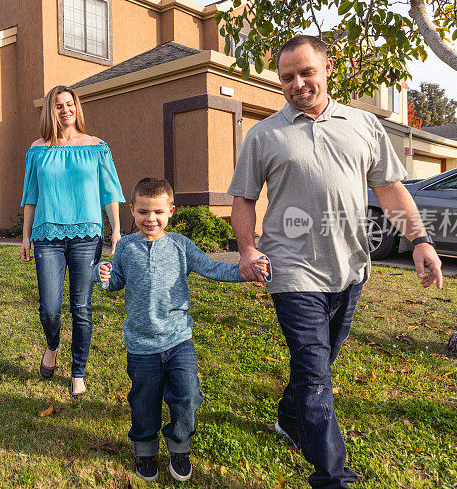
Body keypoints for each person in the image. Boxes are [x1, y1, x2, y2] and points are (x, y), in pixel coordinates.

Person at [228, 35, 443, 488]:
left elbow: (389, 189)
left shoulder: (364, 124)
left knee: (319, 367)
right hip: (291, 271)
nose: (297, 83)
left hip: (350, 269)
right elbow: (243, 199)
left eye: (306, 72)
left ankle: (289, 418)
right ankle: (332, 477)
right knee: (314, 373)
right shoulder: (264, 135)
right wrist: (248, 248)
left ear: (327, 68)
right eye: (287, 77)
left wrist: (419, 240)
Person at [95, 178, 270, 483]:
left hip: (178, 340)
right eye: (144, 212)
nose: (151, 218)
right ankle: (145, 451)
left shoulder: (180, 245)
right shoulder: (124, 246)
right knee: (144, 402)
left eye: (159, 212)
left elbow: (213, 268)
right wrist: (105, 277)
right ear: (132, 211)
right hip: (141, 344)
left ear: (171, 211)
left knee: (187, 395)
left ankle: (179, 446)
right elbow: (116, 283)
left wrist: (245, 272)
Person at [20, 85, 125, 399]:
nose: (65, 110)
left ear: (77, 108)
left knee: (81, 307)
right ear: (50, 111)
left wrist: (116, 230)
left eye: (69, 104)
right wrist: (25, 236)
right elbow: (31, 196)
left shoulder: (96, 147)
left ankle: (77, 371)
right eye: (58, 105)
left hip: (86, 236)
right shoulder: (38, 149)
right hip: (47, 236)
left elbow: (110, 192)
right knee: (50, 309)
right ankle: (52, 345)